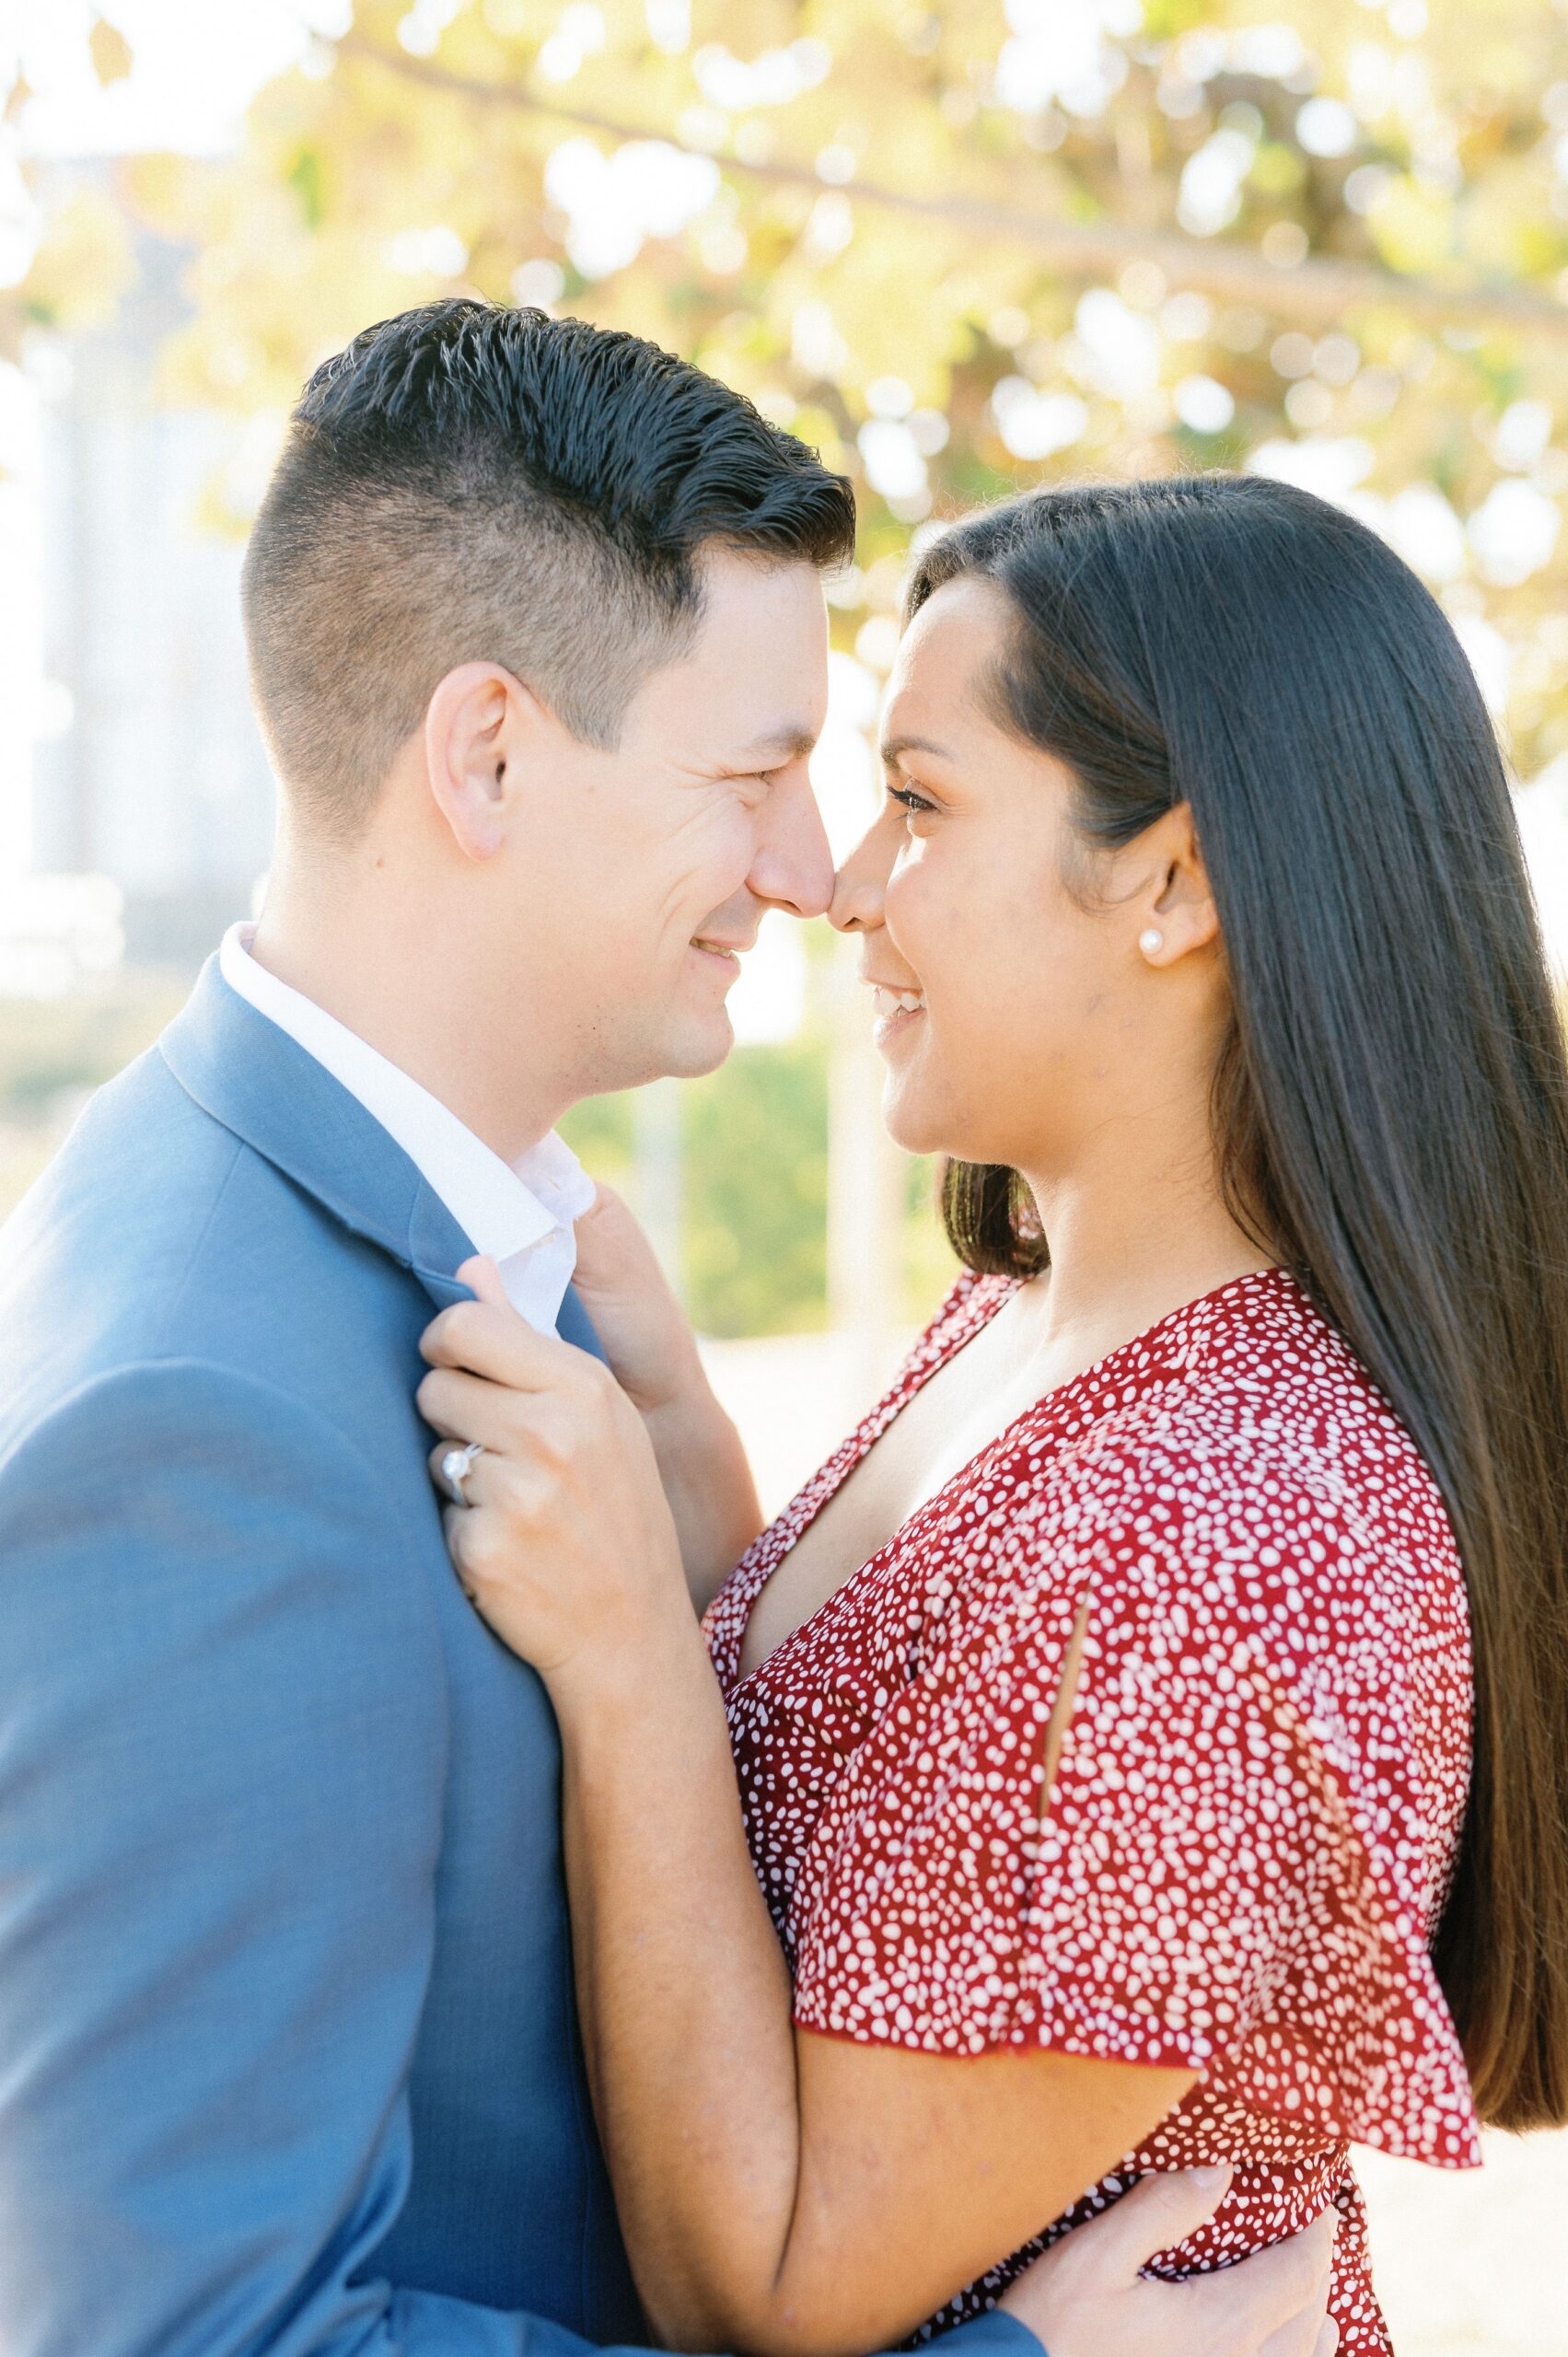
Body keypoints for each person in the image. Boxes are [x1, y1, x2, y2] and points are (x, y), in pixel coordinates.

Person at [0, 307, 1332, 2357]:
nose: (815, 874)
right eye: (760, 768)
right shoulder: (212, 1423)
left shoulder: (390, 1245)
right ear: (490, 753)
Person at [416, 473, 1568, 2357]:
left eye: (924, 801)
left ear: (1175, 881)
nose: (847, 882)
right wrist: (696, 1468)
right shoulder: (1031, 1319)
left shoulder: (1238, 1530)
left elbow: (773, 2272)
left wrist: (627, 1642)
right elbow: (858, 1818)